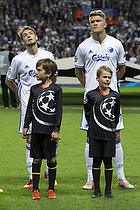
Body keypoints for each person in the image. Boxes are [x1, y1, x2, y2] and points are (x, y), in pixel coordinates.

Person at [75, 10, 134, 190]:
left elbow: (121, 68)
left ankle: (121, 177)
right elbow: (78, 71)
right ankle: (90, 178)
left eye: (98, 20)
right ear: (89, 24)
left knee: (116, 134)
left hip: (111, 100)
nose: (95, 23)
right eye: (92, 21)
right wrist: (89, 87)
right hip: (91, 100)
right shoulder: (83, 46)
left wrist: (111, 85)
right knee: (89, 136)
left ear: (105, 23)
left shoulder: (116, 44)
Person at [5, 26, 54, 189]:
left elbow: (54, 78)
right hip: (28, 107)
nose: (28, 36)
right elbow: (8, 80)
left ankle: (48, 172)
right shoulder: (18, 59)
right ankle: (32, 178)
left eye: (30, 34)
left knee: (49, 136)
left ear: (36, 36)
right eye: (25, 35)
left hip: (47, 105)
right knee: (30, 139)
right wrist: (21, 94)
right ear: (22, 41)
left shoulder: (48, 56)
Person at [22, 58, 62, 200]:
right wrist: (26, 126)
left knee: (51, 159)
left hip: (50, 131)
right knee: (36, 160)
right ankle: (36, 190)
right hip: (37, 130)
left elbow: (58, 112)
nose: (36, 72)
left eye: (39, 70)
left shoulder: (57, 90)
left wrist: (56, 130)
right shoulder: (34, 89)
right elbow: (29, 110)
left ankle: (51, 189)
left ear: (49, 73)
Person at [84, 65, 120, 198]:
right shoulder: (91, 95)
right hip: (95, 134)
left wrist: (111, 127)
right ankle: (97, 190)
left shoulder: (115, 95)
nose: (107, 80)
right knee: (96, 161)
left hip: (109, 134)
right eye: (104, 77)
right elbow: (87, 112)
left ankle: (108, 190)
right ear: (97, 78)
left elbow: (116, 115)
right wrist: (93, 127)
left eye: (109, 77)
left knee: (108, 161)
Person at [0, 39, 17, 109]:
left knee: (4, 90)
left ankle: (6, 105)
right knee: (12, 89)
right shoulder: (9, 54)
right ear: (6, 45)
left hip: (1, 73)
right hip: (9, 74)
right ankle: (14, 104)